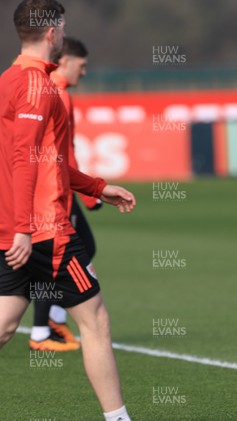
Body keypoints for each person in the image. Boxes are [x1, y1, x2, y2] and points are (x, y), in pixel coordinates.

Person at [0, 1, 133, 420]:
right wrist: (25, 226)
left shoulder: (9, 80)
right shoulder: (39, 88)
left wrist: (96, 187)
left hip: (14, 228)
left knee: (4, 325)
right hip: (43, 231)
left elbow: (45, 159)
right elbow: (24, 157)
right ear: (53, 33)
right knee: (95, 321)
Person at [29, 36, 102, 352]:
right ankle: (44, 329)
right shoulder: (57, 94)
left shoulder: (43, 89)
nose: (83, 73)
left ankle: (49, 323)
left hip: (45, 189)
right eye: (82, 66)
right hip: (53, 193)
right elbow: (63, 153)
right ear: (66, 61)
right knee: (75, 251)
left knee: (75, 250)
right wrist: (90, 193)